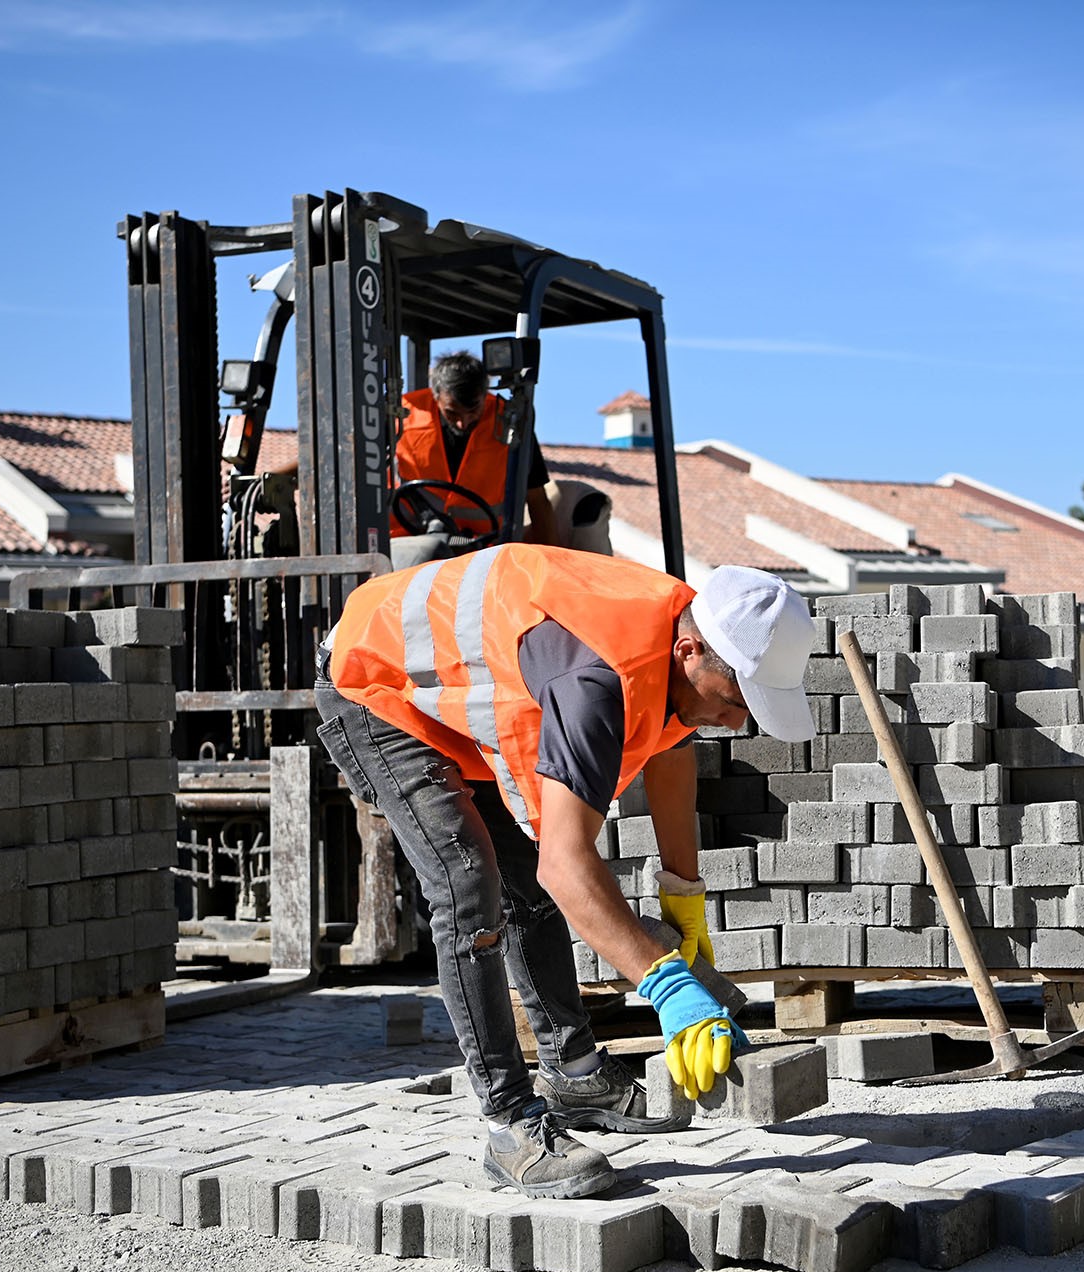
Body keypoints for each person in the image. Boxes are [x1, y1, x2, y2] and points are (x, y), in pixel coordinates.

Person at [315, 546, 815, 1198]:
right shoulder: (598, 680)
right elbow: (568, 865)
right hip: (374, 680)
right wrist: (669, 989)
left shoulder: (677, 641)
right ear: (689, 651)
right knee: (468, 882)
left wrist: (681, 896)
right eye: (734, 699)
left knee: (522, 869)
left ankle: (575, 1075)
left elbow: (670, 754)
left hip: (480, 678)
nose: (736, 720)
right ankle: (509, 1123)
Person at [393, 351, 555, 543]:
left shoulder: (510, 422)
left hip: (481, 550)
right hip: (407, 542)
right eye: (452, 413)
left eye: (473, 411)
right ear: (436, 397)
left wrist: (556, 561)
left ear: (485, 394)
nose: (463, 422)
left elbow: (537, 499)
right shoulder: (399, 414)